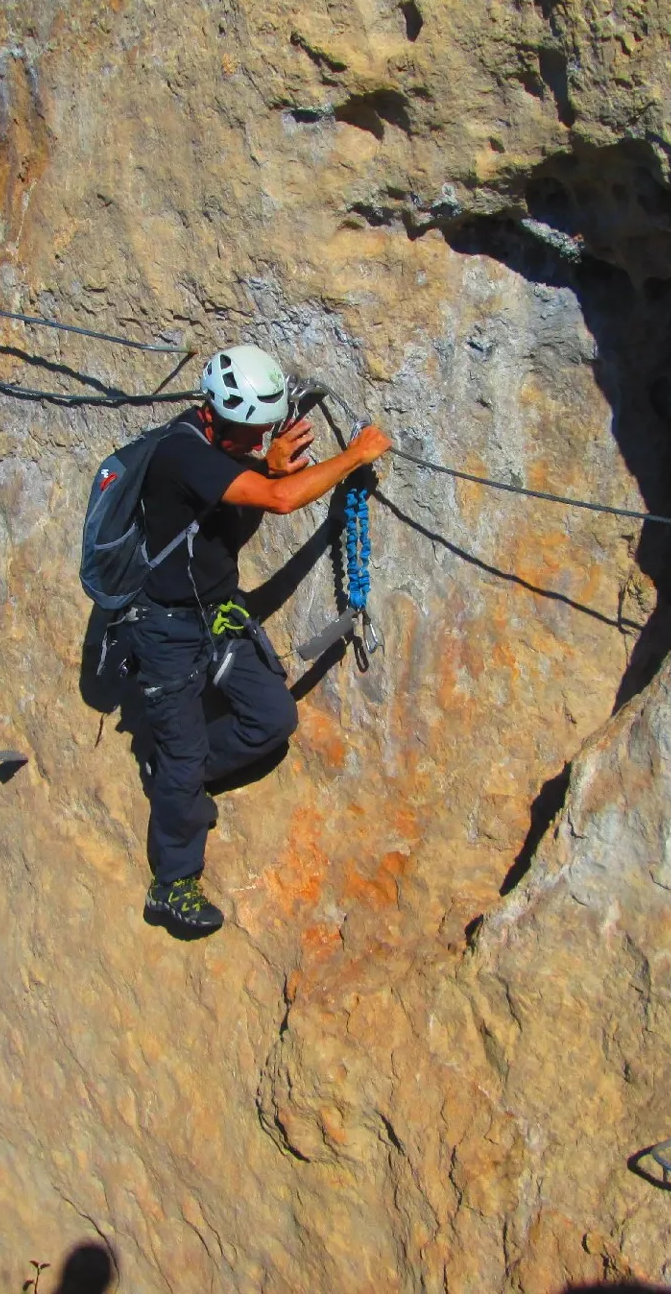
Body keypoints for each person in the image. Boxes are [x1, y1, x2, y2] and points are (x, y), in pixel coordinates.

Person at [130, 346, 392, 938]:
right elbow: (276, 501)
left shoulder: (212, 445)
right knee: (181, 762)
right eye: (252, 431)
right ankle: (171, 885)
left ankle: (181, 772)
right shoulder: (181, 452)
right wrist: (353, 457)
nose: (258, 440)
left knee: (272, 719)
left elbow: (254, 487)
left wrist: (272, 464)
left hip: (217, 616)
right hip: (167, 630)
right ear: (222, 418)